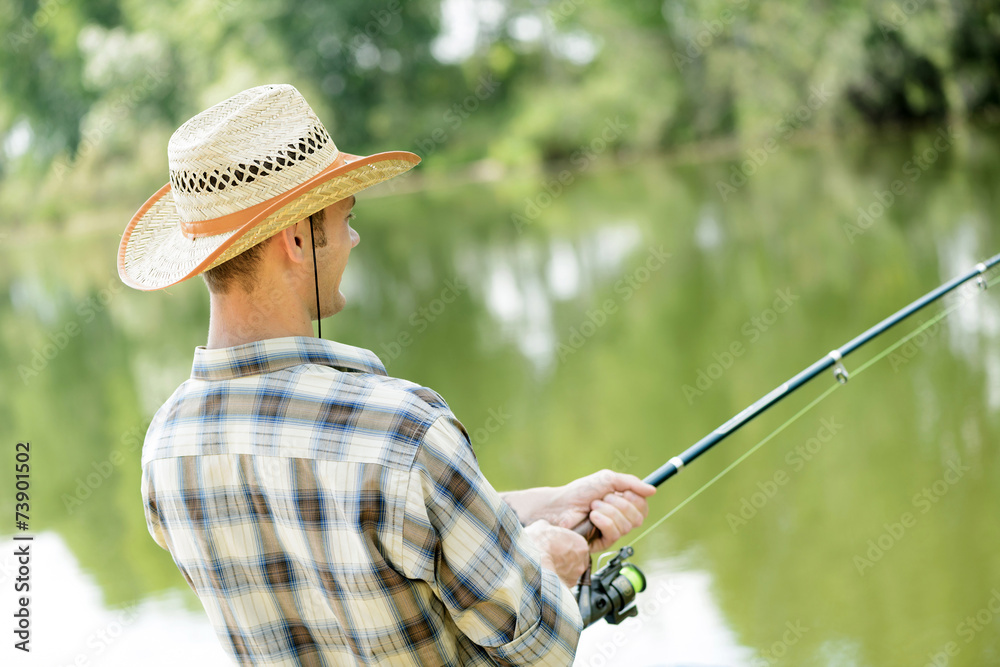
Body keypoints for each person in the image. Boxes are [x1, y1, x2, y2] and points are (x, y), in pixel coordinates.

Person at [119, 84, 655, 666]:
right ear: (296, 239)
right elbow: (541, 645)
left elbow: (335, 529)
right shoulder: (405, 431)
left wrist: (534, 508)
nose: (352, 238)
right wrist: (550, 560)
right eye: (345, 218)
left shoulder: (167, 448)